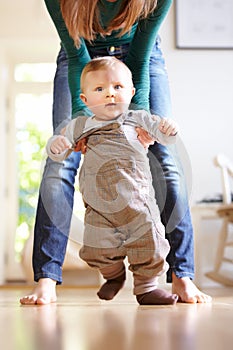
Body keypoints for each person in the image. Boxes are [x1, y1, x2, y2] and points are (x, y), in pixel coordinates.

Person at [20, 0, 211, 305]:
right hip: (81, 56)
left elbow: (140, 55)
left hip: (140, 54)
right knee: (60, 162)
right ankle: (46, 279)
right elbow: (75, 53)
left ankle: (182, 275)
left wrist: (140, 120)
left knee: (166, 160)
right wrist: (81, 122)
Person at [47, 56, 179, 305]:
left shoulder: (138, 118)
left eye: (117, 87)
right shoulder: (81, 126)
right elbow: (60, 150)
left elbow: (163, 135)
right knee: (97, 248)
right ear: (84, 100)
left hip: (138, 200)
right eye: (100, 89)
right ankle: (113, 275)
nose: (110, 94)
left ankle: (146, 287)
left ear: (131, 92)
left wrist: (168, 129)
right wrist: (57, 144)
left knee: (150, 242)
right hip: (99, 205)